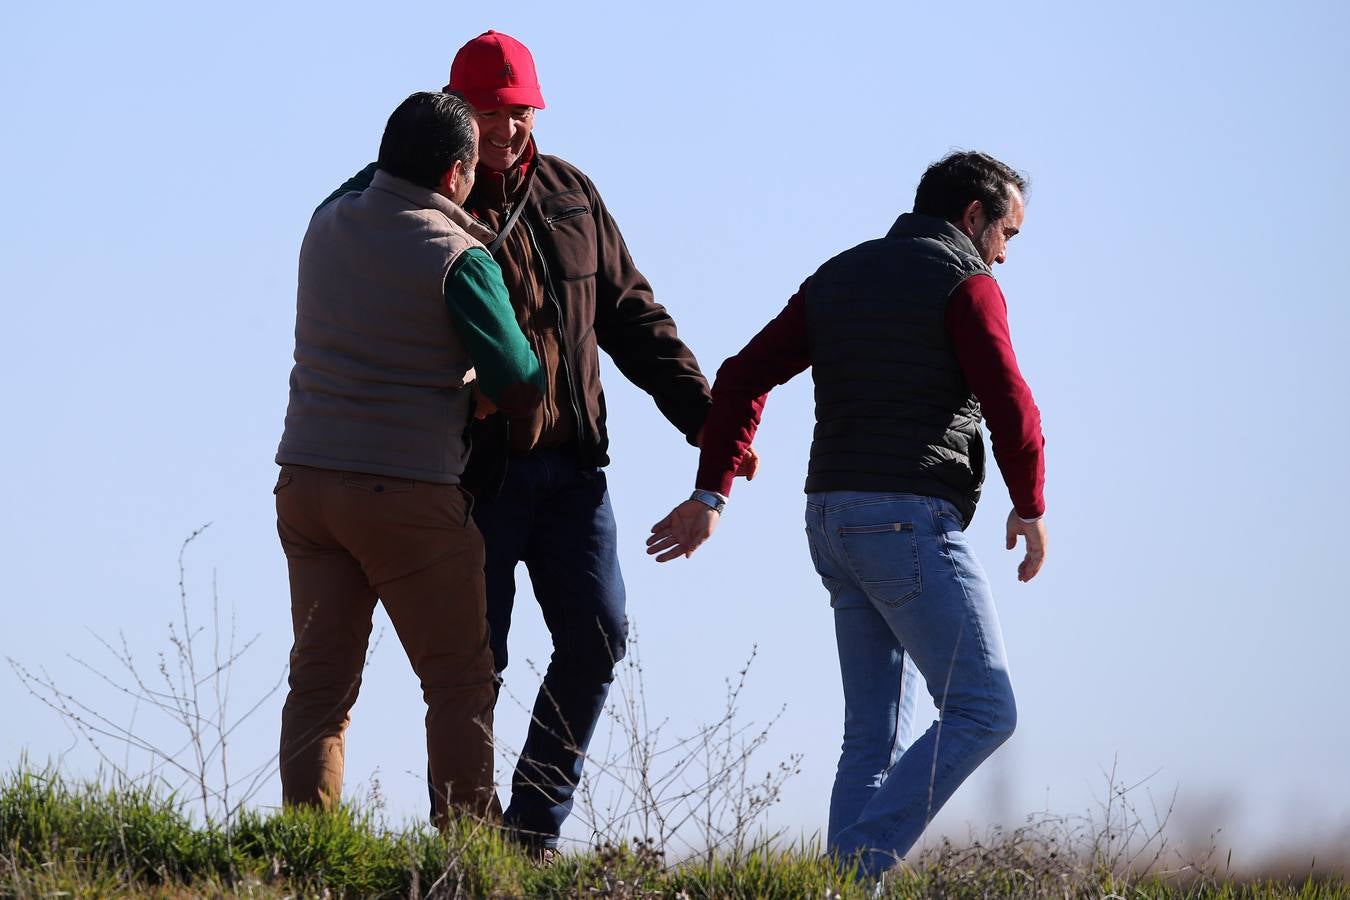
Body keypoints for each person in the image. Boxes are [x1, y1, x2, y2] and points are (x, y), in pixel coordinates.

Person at [647, 151, 1048, 876]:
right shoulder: (968, 284)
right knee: (985, 710)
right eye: (1007, 235)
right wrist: (1030, 504)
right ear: (972, 217)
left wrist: (713, 493)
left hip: (830, 522)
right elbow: (1010, 404)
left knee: (871, 741)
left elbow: (740, 376)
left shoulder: (839, 273)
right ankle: (854, 871)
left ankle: (834, 891)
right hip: (907, 524)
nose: (1005, 255)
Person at [273, 91, 543, 827]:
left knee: (321, 683)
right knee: (458, 682)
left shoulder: (325, 222)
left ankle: (307, 848)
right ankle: (465, 851)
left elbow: (363, 177)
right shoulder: (459, 256)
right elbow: (522, 384)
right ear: (458, 174)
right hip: (407, 491)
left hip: (305, 482)